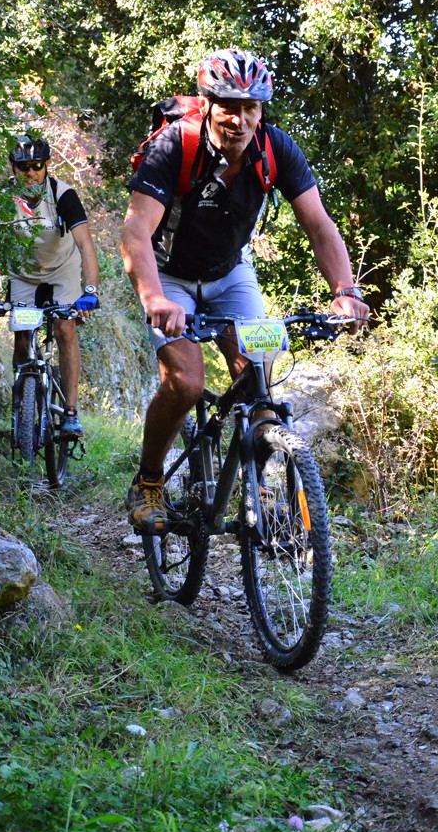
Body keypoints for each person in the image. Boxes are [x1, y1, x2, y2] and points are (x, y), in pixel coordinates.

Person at [120, 48, 369, 531]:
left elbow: (319, 226)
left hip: (230, 273)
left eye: (250, 107)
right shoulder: (174, 147)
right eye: (228, 105)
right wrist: (154, 298)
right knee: (188, 382)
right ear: (207, 103)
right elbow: (134, 233)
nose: (239, 118)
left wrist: (345, 289)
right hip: (170, 276)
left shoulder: (276, 150)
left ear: (262, 110)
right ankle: (149, 482)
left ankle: (258, 493)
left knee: (258, 378)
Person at [0, 136, 100, 437]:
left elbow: (85, 244)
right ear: (13, 168)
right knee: (23, 334)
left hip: (62, 269)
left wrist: (90, 290)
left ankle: (70, 413)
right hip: (23, 273)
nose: (31, 174)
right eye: (24, 167)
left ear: (46, 166)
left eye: (37, 166)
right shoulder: (2, 199)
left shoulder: (63, 195)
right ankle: (24, 396)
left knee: (65, 330)